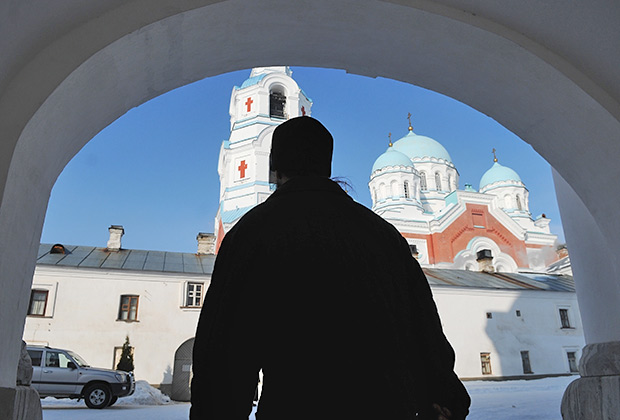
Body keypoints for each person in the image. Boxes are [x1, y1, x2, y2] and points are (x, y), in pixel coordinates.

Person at [190, 116, 470, 419]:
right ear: (327, 165)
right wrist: (442, 396)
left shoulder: (253, 232)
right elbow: (423, 326)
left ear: (274, 168)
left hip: (297, 407)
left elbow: (224, 348)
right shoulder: (382, 234)